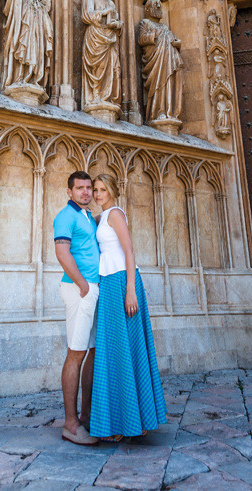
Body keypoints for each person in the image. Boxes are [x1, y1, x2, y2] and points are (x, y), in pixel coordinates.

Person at [89, 174, 166, 441]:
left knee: (129, 348)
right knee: (114, 350)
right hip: (109, 284)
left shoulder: (115, 215)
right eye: (95, 190)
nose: (98, 194)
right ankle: (123, 420)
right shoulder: (102, 216)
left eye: (102, 189)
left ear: (112, 191)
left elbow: (130, 250)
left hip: (123, 282)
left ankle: (137, 419)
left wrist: (131, 290)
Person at [53, 171, 101, 446]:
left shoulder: (85, 216)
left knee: (91, 351)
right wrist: (82, 285)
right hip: (78, 290)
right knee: (76, 353)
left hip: (93, 289)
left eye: (88, 188)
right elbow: (62, 253)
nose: (85, 192)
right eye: (80, 188)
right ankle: (70, 424)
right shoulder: (65, 216)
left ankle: (85, 415)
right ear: (69, 191)